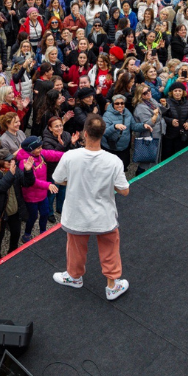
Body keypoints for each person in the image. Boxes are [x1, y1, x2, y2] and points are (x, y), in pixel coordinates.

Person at [51, 115, 130, 300]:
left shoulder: (70, 156)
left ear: (84, 133)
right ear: (102, 134)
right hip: (104, 216)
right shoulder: (113, 161)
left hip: (76, 215)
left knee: (75, 247)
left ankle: (74, 276)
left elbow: (58, 180)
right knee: (110, 248)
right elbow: (124, 190)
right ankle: (112, 286)